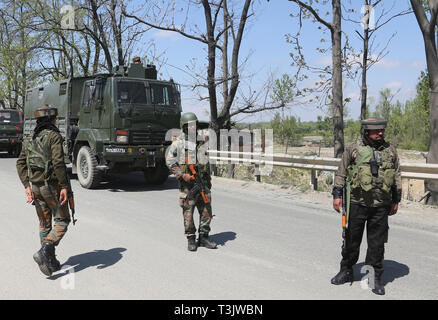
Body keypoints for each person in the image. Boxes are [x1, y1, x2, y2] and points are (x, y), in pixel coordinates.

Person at [330, 118, 402, 295]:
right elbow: (341, 172)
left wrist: (396, 200)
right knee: (351, 240)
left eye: (382, 130)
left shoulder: (390, 151)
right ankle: (346, 270)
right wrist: (337, 195)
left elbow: (397, 175)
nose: (380, 133)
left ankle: (374, 277)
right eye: (376, 131)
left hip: (381, 206)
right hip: (356, 203)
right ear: (366, 132)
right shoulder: (353, 148)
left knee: (377, 244)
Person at [16, 105, 71, 277]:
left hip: (35, 188)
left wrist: (27, 186)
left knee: (44, 224)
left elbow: (20, 163)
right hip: (51, 187)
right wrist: (64, 186)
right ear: (52, 120)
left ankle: (48, 263)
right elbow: (58, 163)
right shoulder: (53, 136)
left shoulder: (29, 138)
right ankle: (46, 250)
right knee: (62, 221)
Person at [166, 112, 217, 251]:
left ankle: (204, 237)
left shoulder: (202, 142)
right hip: (187, 185)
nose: (193, 128)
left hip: (203, 183)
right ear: (184, 127)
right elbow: (170, 161)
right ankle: (191, 238)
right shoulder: (178, 143)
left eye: (194, 125)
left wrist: (207, 180)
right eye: (190, 126)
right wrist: (182, 175)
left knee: (206, 210)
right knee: (188, 212)